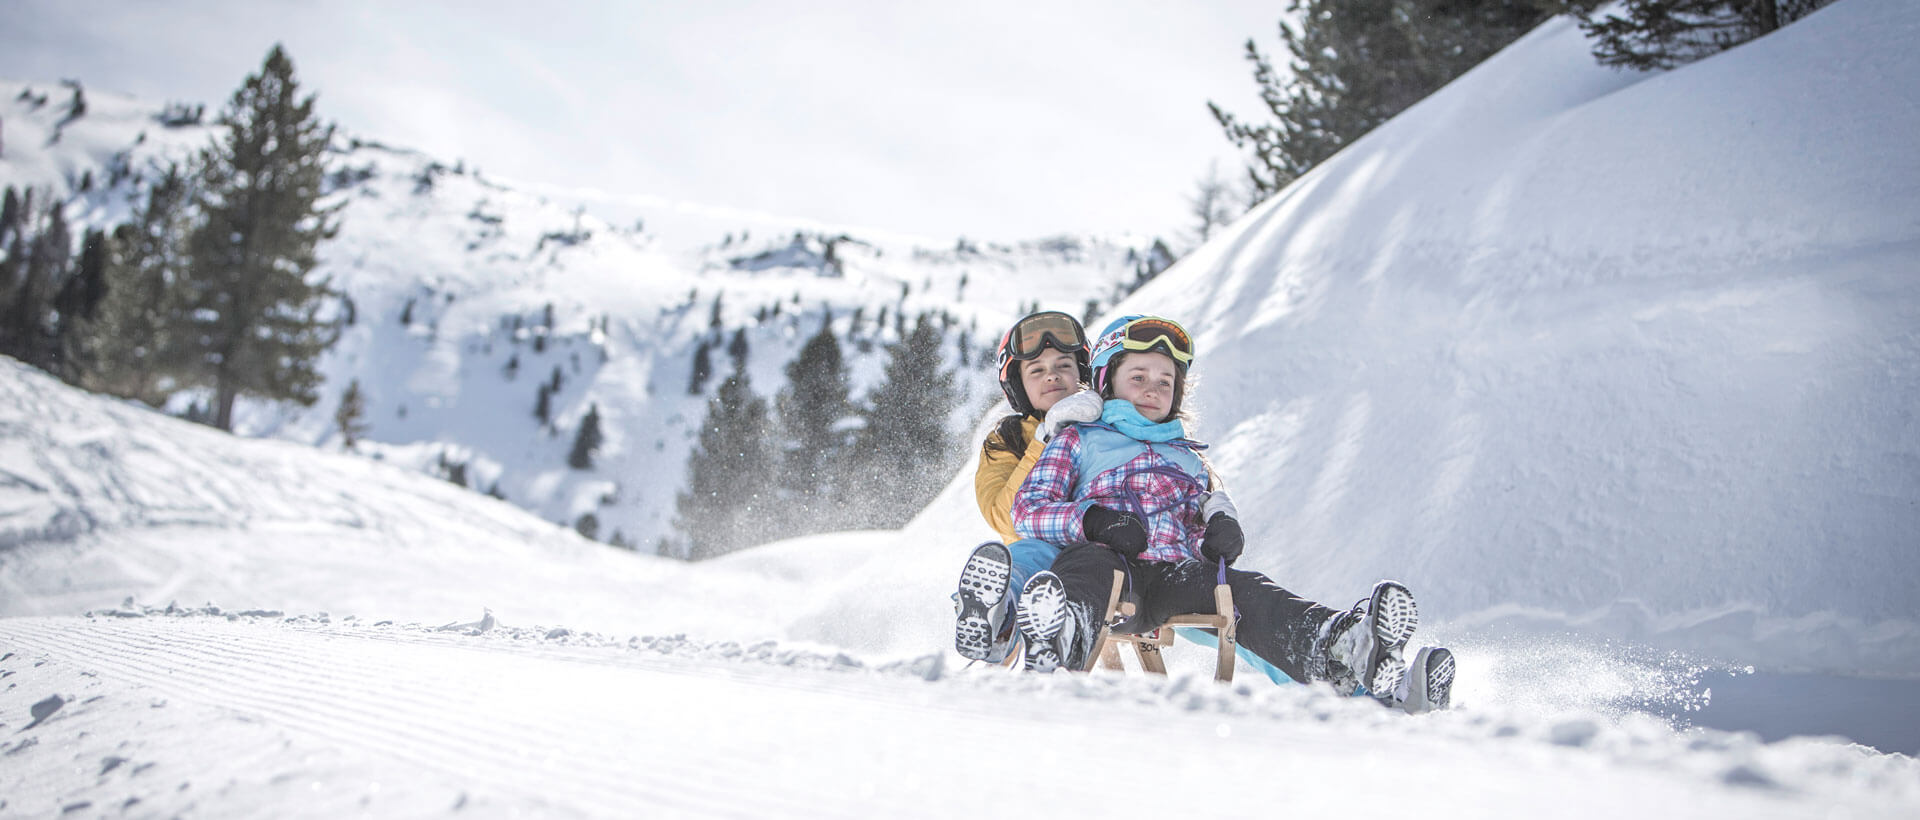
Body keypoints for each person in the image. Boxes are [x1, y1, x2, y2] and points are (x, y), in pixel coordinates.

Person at [1009, 314, 1454, 712]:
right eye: (1138, 376)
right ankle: (1059, 638)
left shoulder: (1187, 459)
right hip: (1108, 568)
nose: (1152, 389)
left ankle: (1344, 646)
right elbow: (1028, 509)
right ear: (1107, 381)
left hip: (1171, 575)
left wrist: (1219, 528)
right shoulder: (1080, 439)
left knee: (1244, 590)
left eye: (1165, 381)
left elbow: (1205, 510)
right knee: (1088, 567)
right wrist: (1092, 521)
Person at [955, 311, 1295, 688]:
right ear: (1017, 384)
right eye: (1037, 370)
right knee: (1031, 553)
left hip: (1137, 562)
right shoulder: (1011, 440)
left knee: (1236, 601)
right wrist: (1047, 437)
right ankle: (997, 621)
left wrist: (1218, 519)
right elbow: (1008, 515)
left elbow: (1192, 487)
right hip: (1052, 547)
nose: (1052, 376)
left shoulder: (1126, 425)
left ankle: (1316, 670)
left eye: (1064, 365)